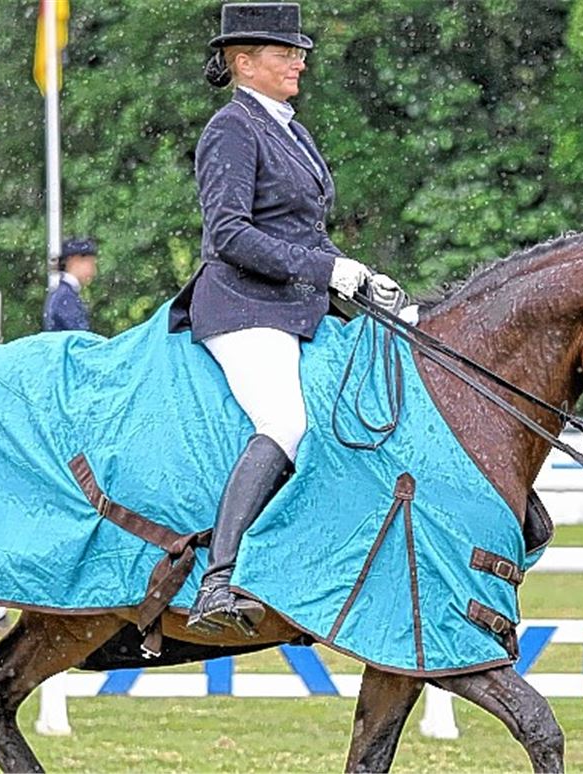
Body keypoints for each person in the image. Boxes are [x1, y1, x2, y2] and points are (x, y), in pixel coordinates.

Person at [169, 2, 403, 636]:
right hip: (242, 305)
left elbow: (302, 231)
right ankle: (219, 579)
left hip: (295, 306)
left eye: (300, 50)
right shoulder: (233, 128)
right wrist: (326, 272)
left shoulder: (291, 129)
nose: (299, 59)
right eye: (284, 52)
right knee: (287, 422)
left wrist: (355, 272)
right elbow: (231, 235)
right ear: (243, 62)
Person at [42, 237, 98, 332]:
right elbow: (80, 336)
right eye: (91, 263)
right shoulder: (66, 296)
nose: (94, 271)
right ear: (74, 260)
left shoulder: (62, 292)